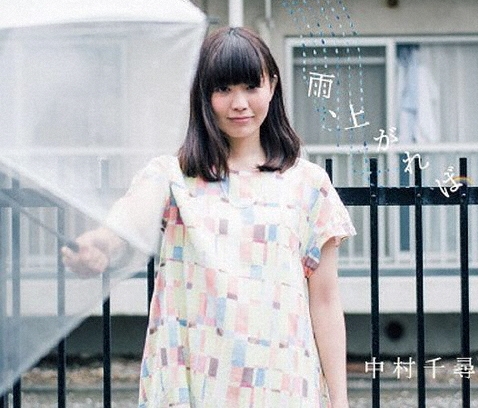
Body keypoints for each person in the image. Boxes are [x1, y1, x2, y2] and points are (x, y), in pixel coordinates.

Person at [62, 26, 356, 407]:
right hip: (197, 383)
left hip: (283, 385)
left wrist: (340, 401)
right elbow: (130, 216)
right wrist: (101, 243)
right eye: (224, 89)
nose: (239, 103)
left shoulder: (309, 184)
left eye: (251, 86)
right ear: (204, 95)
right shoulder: (174, 176)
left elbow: (326, 301)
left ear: (272, 86)